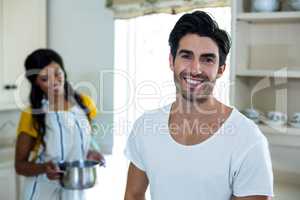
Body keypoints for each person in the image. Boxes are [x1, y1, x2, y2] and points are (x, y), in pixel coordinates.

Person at [124, 11, 273, 200]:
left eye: (207, 59)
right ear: (171, 61)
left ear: (221, 69)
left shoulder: (248, 140)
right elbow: (133, 194)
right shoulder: (145, 127)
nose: (195, 69)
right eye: (186, 56)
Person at [15, 49, 104, 200]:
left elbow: (82, 142)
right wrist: (44, 168)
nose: (54, 81)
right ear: (35, 82)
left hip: (75, 189)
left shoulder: (85, 104)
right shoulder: (32, 114)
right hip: (41, 191)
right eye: (44, 78)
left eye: (57, 73)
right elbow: (20, 166)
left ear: (64, 70)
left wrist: (89, 153)